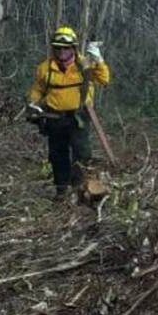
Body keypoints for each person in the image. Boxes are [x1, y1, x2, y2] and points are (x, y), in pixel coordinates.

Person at [25, 26, 112, 198]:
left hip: (79, 116)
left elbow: (104, 79)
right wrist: (33, 103)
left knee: (82, 153)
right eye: (58, 47)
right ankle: (61, 190)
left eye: (66, 47)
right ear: (53, 48)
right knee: (58, 155)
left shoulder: (84, 64)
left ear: (73, 48)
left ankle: (79, 186)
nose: (62, 51)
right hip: (54, 118)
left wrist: (99, 60)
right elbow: (38, 89)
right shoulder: (45, 68)